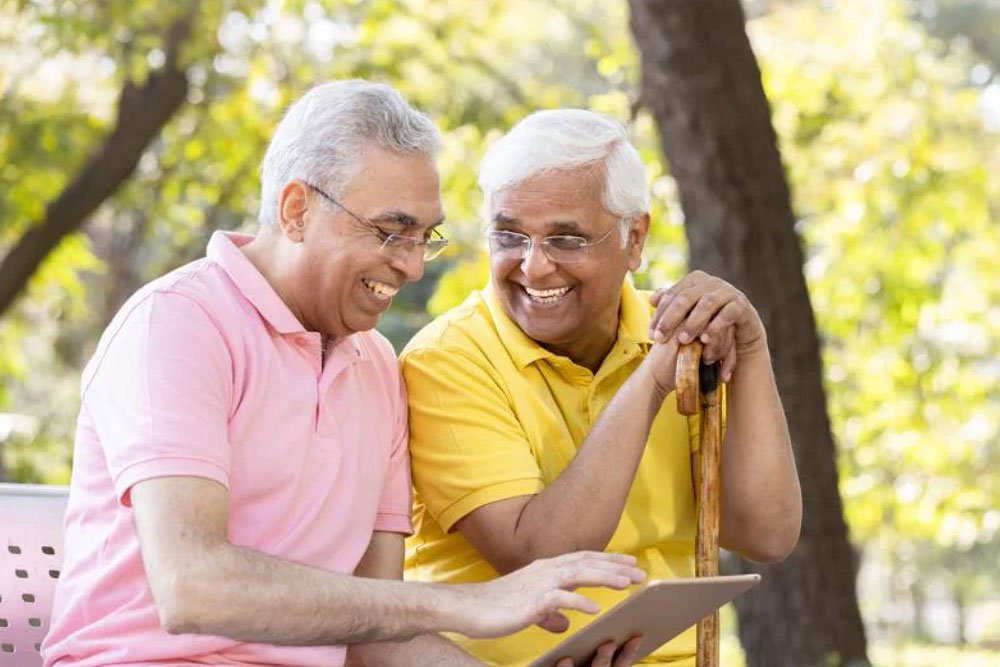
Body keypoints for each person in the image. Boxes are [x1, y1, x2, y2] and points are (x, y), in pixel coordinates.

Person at [42, 83, 647, 667]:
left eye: (423, 237)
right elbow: (192, 584)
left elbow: (377, 638)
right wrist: (468, 604)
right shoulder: (177, 325)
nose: (411, 266)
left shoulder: (378, 366)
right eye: (391, 231)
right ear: (297, 210)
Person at [401, 109, 803, 666]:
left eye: (565, 239)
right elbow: (539, 554)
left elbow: (766, 533)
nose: (534, 267)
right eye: (509, 235)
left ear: (633, 239)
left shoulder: (679, 339)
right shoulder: (447, 359)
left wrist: (752, 345)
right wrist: (654, 379)